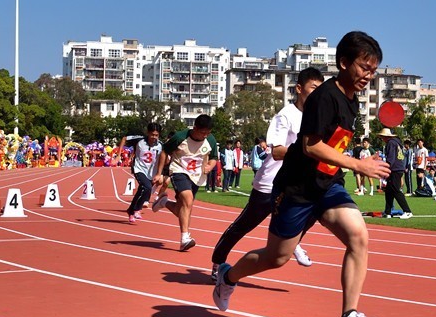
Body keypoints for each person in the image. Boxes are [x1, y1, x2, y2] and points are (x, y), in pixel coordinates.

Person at [212, 31, 392, 317]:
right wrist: (359, 164)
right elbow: (311, 146)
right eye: (364, 68)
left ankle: (349, 316)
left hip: (328, 185)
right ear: (344, 62)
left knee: (359, 235)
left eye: (373, 70)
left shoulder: (352, 103)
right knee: (277, 257)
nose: (368, 76)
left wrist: (354, 159)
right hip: (296, 188)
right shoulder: (324, 97)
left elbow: (335, 145)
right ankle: (228, 277)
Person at [209, 69, 325, 280]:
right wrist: (307, 152)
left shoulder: (317, 118)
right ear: (299, 89)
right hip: (270, 183)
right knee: (244, 225)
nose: (318, 94)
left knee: (316, 211)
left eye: (321, 90)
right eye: (314, 88)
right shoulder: (286, 115)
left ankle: (295, 242)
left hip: (296, 185)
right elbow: (278, 151)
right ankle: (218, 262)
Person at [151, 114, 220, 251]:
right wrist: (159, 173)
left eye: (208, 133)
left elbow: (214, 158)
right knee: (188, 200)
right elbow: (164, 151)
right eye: (202, 132)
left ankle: (163, 202)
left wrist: (210, 166)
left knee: (183, 209)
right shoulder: (180, 137)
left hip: (197, 176)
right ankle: (185, 238)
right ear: (195, 128)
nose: (205, 135)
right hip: (179, 170)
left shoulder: (210, 140)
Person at [124, 122, 163, 223]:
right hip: (139, 168)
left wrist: (160, 172)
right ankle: (137, 209)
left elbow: (165, 156)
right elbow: (124, 139)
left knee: (141, 191)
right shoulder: (139, 140)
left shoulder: (160, 145)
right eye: (152, 134)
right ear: (148, 133)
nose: (154, 137)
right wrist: (119, 156)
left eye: (156, 135)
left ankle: (130, 211)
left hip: (151, 172)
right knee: (147, 188)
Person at [381, 127, 413, 218]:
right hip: (398, 168)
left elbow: (391, 157)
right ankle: (388, 212)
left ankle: (407, 211)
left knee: (396, 190)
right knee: (389, 191)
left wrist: (386, 168)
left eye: (382, 137)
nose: (382, 139)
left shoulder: (390, 143)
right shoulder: (397, 143)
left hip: (394, 168)